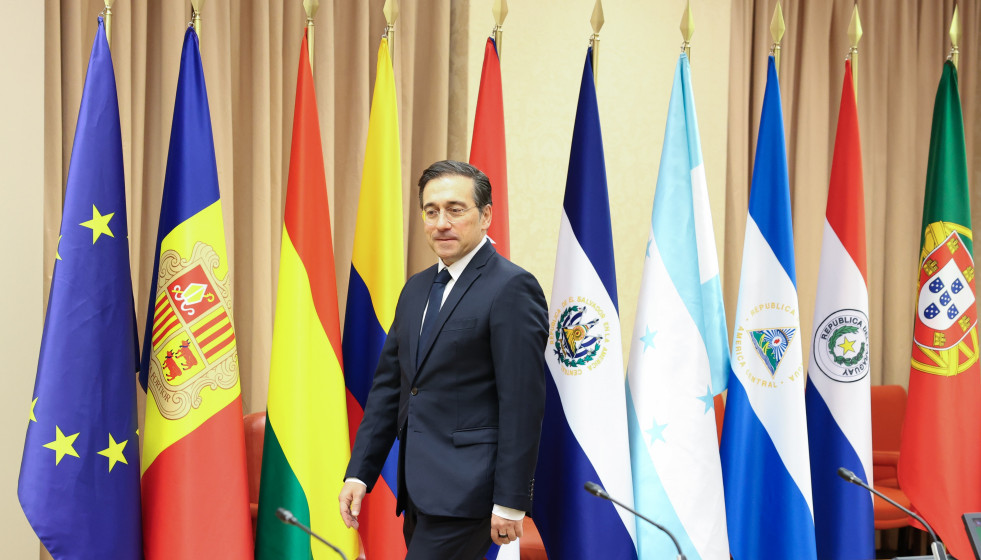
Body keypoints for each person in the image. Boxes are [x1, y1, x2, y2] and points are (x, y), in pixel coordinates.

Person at [339, 160, 548, 559]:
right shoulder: (416, 289)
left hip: (472, 492)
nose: (441, 224)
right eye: (431, 211)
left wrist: (510, 500)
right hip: (419, 493)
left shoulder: (512, 287)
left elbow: (522, 404)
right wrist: (360, 473)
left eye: (455, 210)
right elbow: (391, 389)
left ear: (485, 216)